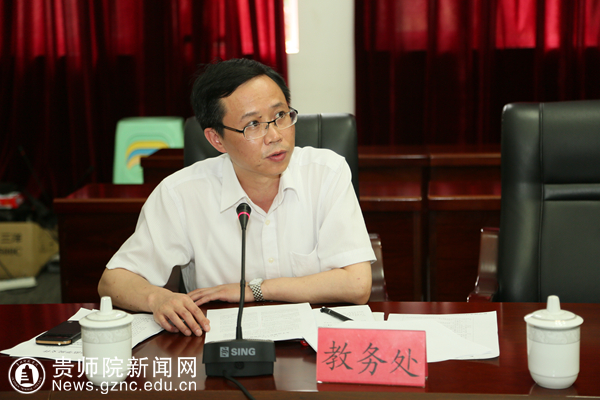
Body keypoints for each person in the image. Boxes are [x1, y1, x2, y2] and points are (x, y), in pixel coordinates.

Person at [98, 58, 375, 337]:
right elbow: (113, 282)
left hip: (313, 343)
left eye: (280, 115)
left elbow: (357, 285)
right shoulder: (180, 193)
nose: (275, 135)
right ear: (216, 140)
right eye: (253, 124)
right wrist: (157, 298)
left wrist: (253, 290)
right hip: (220, 344)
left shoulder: (326, 173)